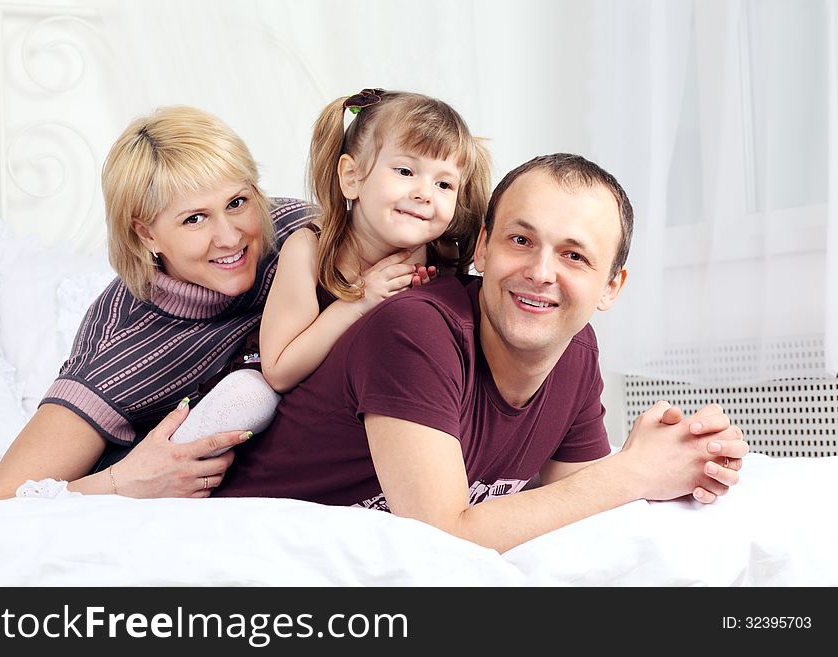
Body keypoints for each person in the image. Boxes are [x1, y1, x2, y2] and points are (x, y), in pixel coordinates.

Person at [213, 153, 750, 553]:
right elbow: (442, 536)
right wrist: (633, 473)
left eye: (574, 255)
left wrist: (674, 459)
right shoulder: (414, 330)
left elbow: (575, 502)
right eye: (521, 240)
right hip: (244, 562)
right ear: (482, 246)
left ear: (612, 287)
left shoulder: (575, 350)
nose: (541, 272)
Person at [0, 105, 316, 502]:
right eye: (194, 219)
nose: (230, 236)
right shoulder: (121, 344)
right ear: (146, 234)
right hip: (75, 475)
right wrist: (127, 483)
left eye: (237, 202)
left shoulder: (297, 234)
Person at [259, 88, 490, 393]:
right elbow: (278, 371)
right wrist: (361, 301)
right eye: (405, 171)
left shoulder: (443, 255)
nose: (425, 193)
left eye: (444, 183)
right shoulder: (309, 249)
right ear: (352, 177)